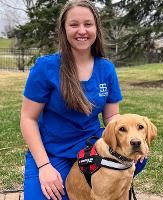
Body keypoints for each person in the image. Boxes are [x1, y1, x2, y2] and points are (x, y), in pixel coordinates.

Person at [20, 1, 147, 199]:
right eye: (74, 24)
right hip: (54, 152)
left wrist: (135, 138)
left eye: (88, 24)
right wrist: (44, 166)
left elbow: (112, 117)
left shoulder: (106, 69)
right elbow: (28, 119)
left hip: (90, 146)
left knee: (140, 158)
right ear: (64, 29)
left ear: (96, 28)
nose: (82, 30)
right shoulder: (46, 67)